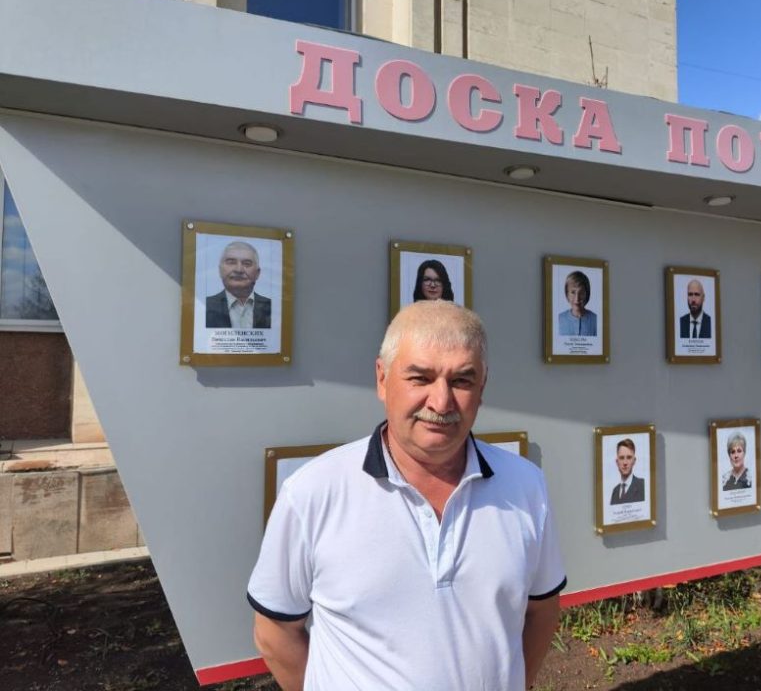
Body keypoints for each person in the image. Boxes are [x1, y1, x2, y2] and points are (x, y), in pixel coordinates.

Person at [248, 301, 565, 691]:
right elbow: (275, 632)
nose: (441, 402)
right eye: (420, 378)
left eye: (462, 380)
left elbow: (542, 611)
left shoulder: (526, 485)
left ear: (482, 388)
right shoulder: (313, 493)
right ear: (382, 379)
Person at [205, 240, 272, 328]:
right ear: (220, 270)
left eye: (247, 264)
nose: (239, 270)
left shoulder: (272, 307)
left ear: (257, 273)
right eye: (231, 262)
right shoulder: (204, 306)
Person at [557, 270, 597, 336]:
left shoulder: (596, 320)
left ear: (587, 294)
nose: (577, 298)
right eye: (573, 292)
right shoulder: (559, 319)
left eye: (581, 293)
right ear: (567, 294)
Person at [609, 438, 645, 505]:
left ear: (634, 461)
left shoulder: (643, 486)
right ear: (617, 462)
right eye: (621, 458)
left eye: (629, 457)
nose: (625, 463)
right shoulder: (615, 491)